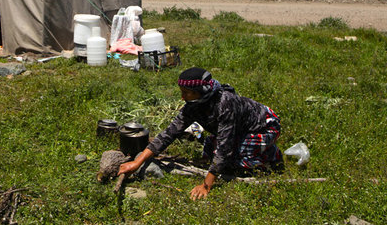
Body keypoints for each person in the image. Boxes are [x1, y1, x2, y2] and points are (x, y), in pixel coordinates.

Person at [118, 67, 282, 200]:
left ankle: (271, 156)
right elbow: (169, 134)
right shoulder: (193, 106)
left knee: (236, 163)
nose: (182, 97)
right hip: (238, 130)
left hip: (265, 126)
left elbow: (225, 148)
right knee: (213, 153)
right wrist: (137, 163)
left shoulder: (225, 104)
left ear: (201, 91)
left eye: (187, 93)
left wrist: (206, 185)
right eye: (181, 92)